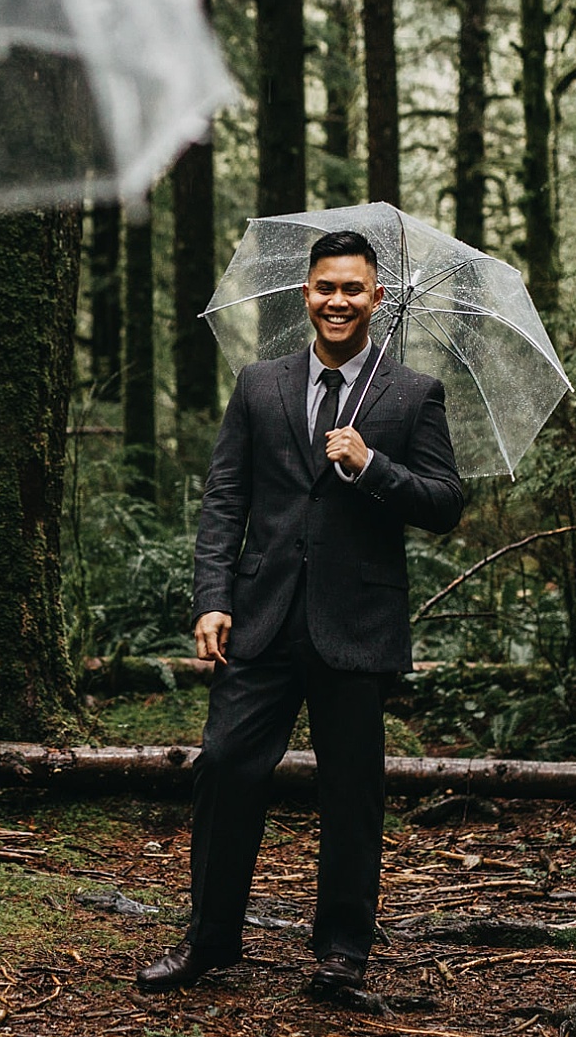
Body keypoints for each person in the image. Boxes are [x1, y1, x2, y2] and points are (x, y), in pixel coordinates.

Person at [137, 227, 462, 997]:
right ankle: (211, 941)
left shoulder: (413, 394)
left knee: (352, 791)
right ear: (305, 294)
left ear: (377, 298)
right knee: (225, 766)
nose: (338, 301)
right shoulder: (259, 384)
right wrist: (213, 598)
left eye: (354, 288)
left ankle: (343, 953)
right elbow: (226, 499)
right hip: (263, 617)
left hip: (357, 625)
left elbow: (447, 502)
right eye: (326, 287)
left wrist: (373, 464)